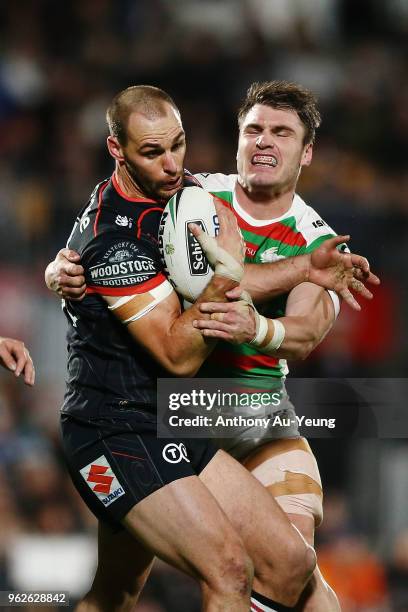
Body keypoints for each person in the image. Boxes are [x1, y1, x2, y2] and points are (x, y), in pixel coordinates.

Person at [46, 84, 379, 612]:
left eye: (179, 145)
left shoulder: (298, 230)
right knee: (225, 572)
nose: (172, 163)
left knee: (294, 571)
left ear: (308, 151)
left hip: (245, 413)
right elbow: (178, 351)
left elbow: (307, 332)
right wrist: (61, 270)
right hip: (136, 417)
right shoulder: (183, 205)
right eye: (254, 130)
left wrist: (263, 315)